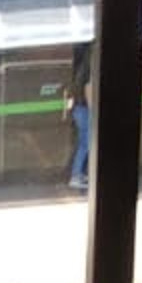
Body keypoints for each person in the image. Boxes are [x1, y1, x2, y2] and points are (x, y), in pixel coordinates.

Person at [65, 58, 91, 192]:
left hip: (78, 109)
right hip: (84, 110)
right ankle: (76, 176)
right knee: (86, 144)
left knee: (83, 143)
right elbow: (89, 91)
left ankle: (78, 174)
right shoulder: (89, 72)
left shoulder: (79, 74)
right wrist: (93, 110)